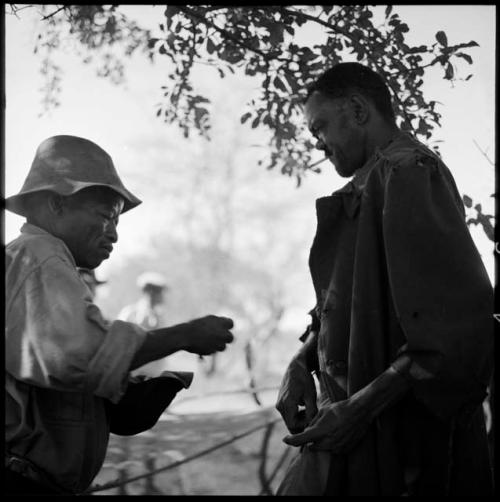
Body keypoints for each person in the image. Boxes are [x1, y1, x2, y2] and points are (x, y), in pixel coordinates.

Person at [275, 63, 493, 496]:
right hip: (355, 436)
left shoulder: (409, 172)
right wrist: (301, 363)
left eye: (320, 126)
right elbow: (345, 309)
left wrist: (357, 409)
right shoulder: (365, 185)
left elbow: (447, 339)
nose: (318, 143)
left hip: (405, 451)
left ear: (357, 110)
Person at [5, 135, 235, 495]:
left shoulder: (47, 262)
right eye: (104, 216)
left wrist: (116, 401)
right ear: (55, 204)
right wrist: (184, 335)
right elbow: (80, 355)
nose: (113, 234)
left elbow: (57, 376)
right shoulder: (40, 256)